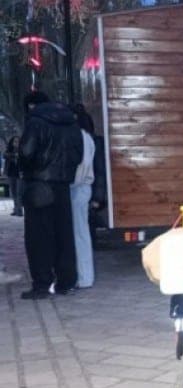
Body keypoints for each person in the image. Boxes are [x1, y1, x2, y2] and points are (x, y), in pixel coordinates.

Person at [18, 91, 82, 300]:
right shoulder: (71, 123)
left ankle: (42, 284)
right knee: (64, 235)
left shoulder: (35, 122)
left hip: (39, 185)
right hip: (63, 185)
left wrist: (26, 169)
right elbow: (78, 154)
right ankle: (66, 281)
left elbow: (26, 152)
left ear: (31, 106)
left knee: (39, 238)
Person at [71, 106, 96, 289]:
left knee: (79, 234)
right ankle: (84, 276)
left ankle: (85, 276)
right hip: (81, 187)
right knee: (80, 233)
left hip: (78, 187)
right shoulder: (87, 137)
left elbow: (82, 166)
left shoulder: (81, 138)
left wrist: (72, 183)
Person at [3, 136, 23, 216]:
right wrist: (14, 155)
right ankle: (16, 209)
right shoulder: (9, 150)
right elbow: (5, 155)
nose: (16, 143)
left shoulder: (22, 150)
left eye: (18, 141)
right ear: (12, 142)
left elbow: (24, 158)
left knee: (19, 193)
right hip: (11, 174)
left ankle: (19, 211)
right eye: (15, 141)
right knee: (13, 193)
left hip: (20, 174)